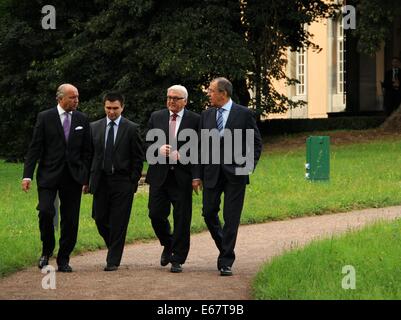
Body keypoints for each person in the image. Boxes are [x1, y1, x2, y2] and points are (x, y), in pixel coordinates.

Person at [22, 83, 91, 272]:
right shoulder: (45, 117)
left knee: (70, 219)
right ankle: (46, 250)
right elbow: (35, 147)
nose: (76, 100)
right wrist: (27, 176)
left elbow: (88, 151)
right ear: (60, 99)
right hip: (48, 175)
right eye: (72, 97)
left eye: (77, 96)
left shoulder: (82, 119)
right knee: (45, 212)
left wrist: (85, 177)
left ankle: (64, 258)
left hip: (73, 177)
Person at [199, 77, 262, 276]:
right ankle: (225, 246)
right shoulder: (206, 115)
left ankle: (226, 260)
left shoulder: (244, 114)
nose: (208, 94)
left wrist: (247, 168)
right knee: (209, 212)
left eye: (211, 91)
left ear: (223, 93)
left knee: (231, 217)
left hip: (236, 174)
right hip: (212, 173)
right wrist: (198, 175)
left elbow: (256, 144)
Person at [145, 85, 201, 273]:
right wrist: (157, 150)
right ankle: (168, 243)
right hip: (159, 175)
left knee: (182, 218)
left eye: (176, 98)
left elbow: (200, 150)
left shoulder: (195, 120)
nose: (171, 101)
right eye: (169, 97)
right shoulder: (157, 117)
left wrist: (186, 160)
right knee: (155, 214)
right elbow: (146, 144)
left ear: (185, 101)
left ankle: (178, 258)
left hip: (182, 177)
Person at [86, 92, 144, 271]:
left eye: (115, 108)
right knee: (99, 218)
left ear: (122, 107)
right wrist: (87, 180)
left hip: (122, 181)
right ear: (104, 107)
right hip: (100, 180)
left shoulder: (131, 128)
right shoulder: (94, 127)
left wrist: (132, 181)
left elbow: (138, 157)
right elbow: (89, 156)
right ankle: (113, 246)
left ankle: (113, 260)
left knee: (119, 221)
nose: (111, 112)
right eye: (108, 108)